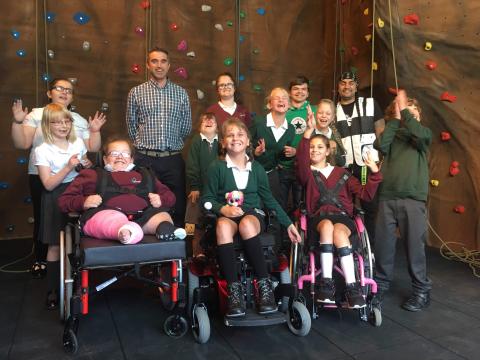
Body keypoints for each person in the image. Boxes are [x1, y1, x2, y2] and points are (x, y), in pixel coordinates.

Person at [201, 118, 301, 317]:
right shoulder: (216, 168)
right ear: (223, 142)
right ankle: (234, 290)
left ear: (248, 141)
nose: (235, 138)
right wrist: (223, 209)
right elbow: (207, 200)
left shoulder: (257, 169)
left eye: (240, 135)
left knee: (247, 223)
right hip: (227, 216)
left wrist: (288, 223)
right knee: (222, 226)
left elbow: (269, 199)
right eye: (230, 135)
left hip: (252, 215)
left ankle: (264, 288)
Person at [11, 78, 106, 278]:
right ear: (49, 92)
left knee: (75, 220)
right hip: (43, 175)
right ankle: (41, 259)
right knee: (45, 218)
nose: (64, 92)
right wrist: (18, 121)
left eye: (69, 90)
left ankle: (76, 261)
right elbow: (22, 143)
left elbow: (92, 148)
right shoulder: (36, 115)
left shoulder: (78, 119)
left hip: (73, 178)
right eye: (60, 88)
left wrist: (94, 132)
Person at [296, 107, 382, 308]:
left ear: (328, 151)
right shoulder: (307, 173)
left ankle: (353, 286)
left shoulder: (343, 173)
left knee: (339, 232)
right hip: (318, 219)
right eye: (311, 148)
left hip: (342, 218)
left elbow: (366, 194)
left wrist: (374, 172)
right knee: (326, 225)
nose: (314, 150)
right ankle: (326, 282)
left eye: (319, 147)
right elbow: (300, 162)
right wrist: (308, 132)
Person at [58, 137, 186, 245]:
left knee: (161, 216)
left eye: (125, 154)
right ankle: (123, 231)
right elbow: (63, 201)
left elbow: (171, 197)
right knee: (111, 219)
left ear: (131, 159)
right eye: (114, 154)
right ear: (104, 159)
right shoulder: (91, 175)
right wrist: (83, 201)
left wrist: (161, 199)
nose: (120, 157)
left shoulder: (146, 175)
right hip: (106, 215)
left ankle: (166, 230)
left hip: (143, 218)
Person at [373, 90, 432, 312]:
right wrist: (396, 119)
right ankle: (380, 284)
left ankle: (421, 290)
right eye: (404, 112)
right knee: (384, 244)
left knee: (414, 246)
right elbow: (382, 146)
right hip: (388, 196)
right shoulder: (393, 133)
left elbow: (420, 132)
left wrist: (405, 111)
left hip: (412, 199)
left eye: (413, 113)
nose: (408, 116)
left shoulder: (422, 136)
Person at [126, 47, 192, 226]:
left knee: (176, 205)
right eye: (154, 61)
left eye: (163, 61)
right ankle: (144, 250)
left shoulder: (181, 93)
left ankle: (176, 247)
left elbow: (186, 128)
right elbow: (131, 126)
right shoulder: (136, 92)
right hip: (144, 159)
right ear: (148, 65)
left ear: (169, 65)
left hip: (172, 159)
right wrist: (144, 146)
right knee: (142, 203)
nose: (159, 65)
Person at [34, 103, 89, 310]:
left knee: (79, 241)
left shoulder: (78, 143)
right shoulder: (42, 150)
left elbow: (84, 168)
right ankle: (53, 290)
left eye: (66, 121)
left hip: (78, 193)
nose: (63, 125)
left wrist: (85, 166)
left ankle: (77, 284)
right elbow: (48, 183)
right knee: (55, 245)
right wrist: (68, 166)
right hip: (56, 196)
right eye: (57, 122)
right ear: (48, 125)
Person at [335, 71, 384, 246]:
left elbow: (381, 133)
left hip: (367, 165)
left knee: (370, 207)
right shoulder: (333, 109)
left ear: (356, 86)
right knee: (344, 207)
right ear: (338, 86)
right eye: (343, 82)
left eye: (351, 83)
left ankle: (370, 246)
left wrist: (380, 161)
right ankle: (348, 245)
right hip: (343, 168)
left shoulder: (369, 104)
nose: (346, 86)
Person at [250, 87, 296, 213]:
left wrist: (291, 154)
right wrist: (255, 152)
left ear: (289, 105)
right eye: (277, 98)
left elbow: (280, 156)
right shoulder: (258, 122)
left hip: (272, 175)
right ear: (269, 104)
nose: (281, 100)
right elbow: (243, 144)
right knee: (254, 209)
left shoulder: (291, 129)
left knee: (273, 209)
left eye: (284, 98)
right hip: (252, 174)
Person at [185, 112, 219, 258]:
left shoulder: (222, 142)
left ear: (217, 126)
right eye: (205, 120)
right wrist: (194, 187)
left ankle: (216, 251)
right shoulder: (196, 141)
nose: (209, 121)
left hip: (218, 191)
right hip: (199, 190)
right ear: (199, 127)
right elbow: (192, 166)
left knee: (216, 221)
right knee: (194, 223)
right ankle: (196, 252)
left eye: (212, 120)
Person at [313, 99, 346, 167]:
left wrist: (335, 149)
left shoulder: (335, 135)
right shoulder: (310, 134)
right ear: (316, 114)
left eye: (328, 113)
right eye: (320, 112)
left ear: (333, 117)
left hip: (331, 175)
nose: (324, 116)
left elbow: (342, 162)